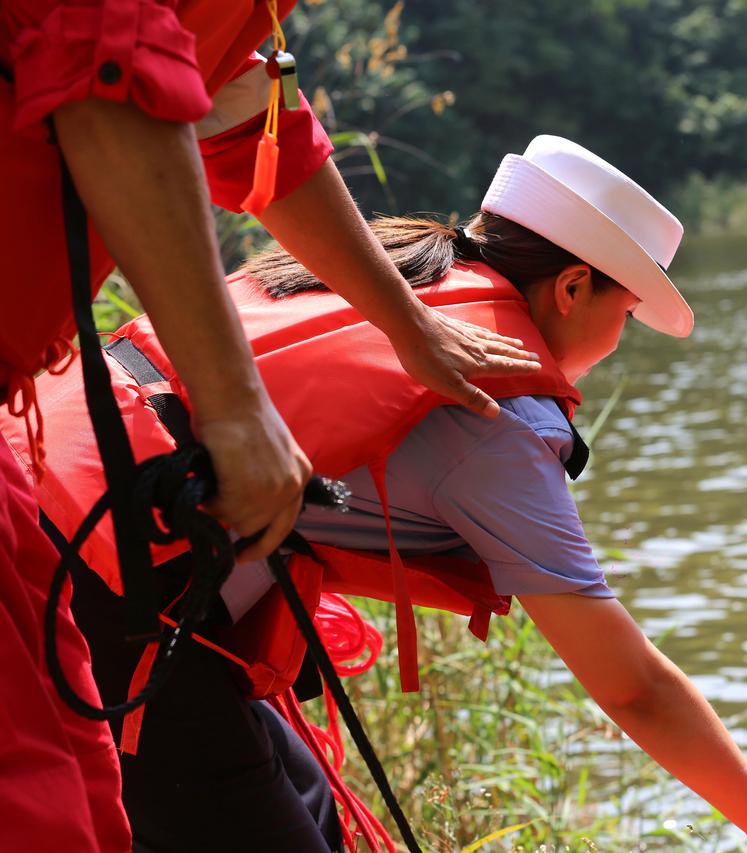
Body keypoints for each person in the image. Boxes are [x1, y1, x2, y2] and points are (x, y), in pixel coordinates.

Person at [17, 135, 747, 852]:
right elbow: (635, 688)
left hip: (43, 494)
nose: (620, 335)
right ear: (571, 286)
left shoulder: (392, 274)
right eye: (624, 312)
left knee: (308, 801)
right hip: (94, 590)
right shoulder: (499, 417)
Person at [0, 1, 539, 849]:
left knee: (81, 790)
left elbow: (254, 123)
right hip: (84, 509)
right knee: (41, 807)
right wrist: (236, 408)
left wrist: (407, 321)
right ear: (579, 289)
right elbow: (111, 91)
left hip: (32, 467)